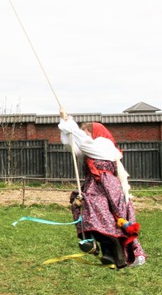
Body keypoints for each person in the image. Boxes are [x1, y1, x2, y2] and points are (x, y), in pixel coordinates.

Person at [59, 107, 145, 269]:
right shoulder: (91, 145)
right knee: (90, 211)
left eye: (86, 132)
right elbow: (72, 145)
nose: (84, 135)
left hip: (106, 186)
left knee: (101, 212)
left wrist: (68, 122)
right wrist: (65, 124)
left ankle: (116, 254)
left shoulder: (103, 144)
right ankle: (105, 251)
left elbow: (82, 142)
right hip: (95, 185)